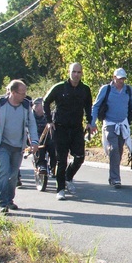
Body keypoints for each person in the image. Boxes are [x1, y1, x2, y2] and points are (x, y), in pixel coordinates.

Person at [0, 80, 39, 214]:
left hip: (18, 146)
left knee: (14, 175)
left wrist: (34, 141)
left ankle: (9, 200)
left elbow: (32, 124)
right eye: (22, 93)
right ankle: (3, 202)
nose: (24, 96)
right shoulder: (0, 104)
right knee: (4, 170)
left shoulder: (26, 106)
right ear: (13, 92)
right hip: (2, 144)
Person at [44, 62, 93, 201]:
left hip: (77, 128)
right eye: (74, 72)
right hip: (60, 128)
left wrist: (89, 121)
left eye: (79, 72)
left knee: (79, 157)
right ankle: (60, 189)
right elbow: (46, 102)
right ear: (69, 72)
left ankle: (68, 176)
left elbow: (88, 106)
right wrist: (49, 121)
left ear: (82, 73)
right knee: (62, 160)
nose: (76, 75)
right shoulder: (59, 88)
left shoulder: (85, 89)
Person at [90, 68, 132, 189]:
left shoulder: (128, 90)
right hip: (109, 123)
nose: (121, 81)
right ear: (114, 78)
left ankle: (113, 174)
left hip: (123, 124)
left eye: (123, 79)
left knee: (119, 150)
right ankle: (115, 178)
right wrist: (92, 122)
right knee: (114, 149)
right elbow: (96, 106)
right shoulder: (106, 89)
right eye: (119, 79)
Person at [32, 97, 56, 176]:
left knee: (53, 146)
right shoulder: (30, 116)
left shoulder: (49, 115)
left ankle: (54, 167)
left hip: (47, 137)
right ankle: (41, 165)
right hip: (34, 137)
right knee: (40, 146)